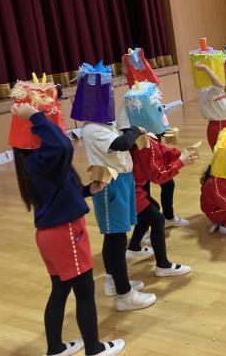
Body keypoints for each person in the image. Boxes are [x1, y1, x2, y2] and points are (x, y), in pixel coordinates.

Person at [10, 97, 124, 356]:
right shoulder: (43, 158)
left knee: (60, 289)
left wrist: (86, 190)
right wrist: (35, 116)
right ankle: (94, 349)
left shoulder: (34, 161)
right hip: (65, 233)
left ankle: (55, 348)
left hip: (50, 234)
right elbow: (63, 146)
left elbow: (57, 192)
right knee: (85, 292)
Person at [71, 63, 156, 311]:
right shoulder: (92, 129)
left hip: (122, 180)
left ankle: (113, 280)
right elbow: (121, 143)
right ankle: (124, 294)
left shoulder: (104, 124)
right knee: (116, 239)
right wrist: (134, 130)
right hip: (110, 185)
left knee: (116, 237)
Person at [118, 82, 194, 277]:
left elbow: (162, 150)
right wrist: (181, 162)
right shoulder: (142, 142)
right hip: (130, 189)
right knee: (157, 219)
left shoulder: (144, 135)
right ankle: (163, 265)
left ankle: (134, 246)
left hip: (132, 188)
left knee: (151, 211)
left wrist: (179, 154)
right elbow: (158, 176)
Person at [193, 61, 226, 150]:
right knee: (222, 155)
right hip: (219, 127)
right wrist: (205, 68)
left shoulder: (215, 89)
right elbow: (219, 85)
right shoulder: (207, 90)